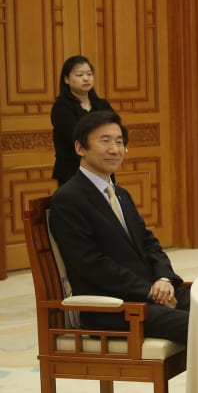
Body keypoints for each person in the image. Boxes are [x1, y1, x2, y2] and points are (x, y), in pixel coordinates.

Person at [48, 111, 190, 344]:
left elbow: (149, 243)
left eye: (120, 142)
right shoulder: (68, 199)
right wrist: (148, 291)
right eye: (105, 141)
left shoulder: (121, 193)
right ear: (80, 148)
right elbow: (90, 263)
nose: (115, 149)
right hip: (113, 307)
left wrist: (163, 280)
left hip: (148, 296)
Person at [50, 55, 115, 185]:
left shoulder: (102, 105)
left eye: (89, 74)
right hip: (73, 172)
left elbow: (115, 129)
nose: (86, 78)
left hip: (103, 169)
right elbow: (75, 136)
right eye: (79, 75)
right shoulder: (61, 107)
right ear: (67, 79)